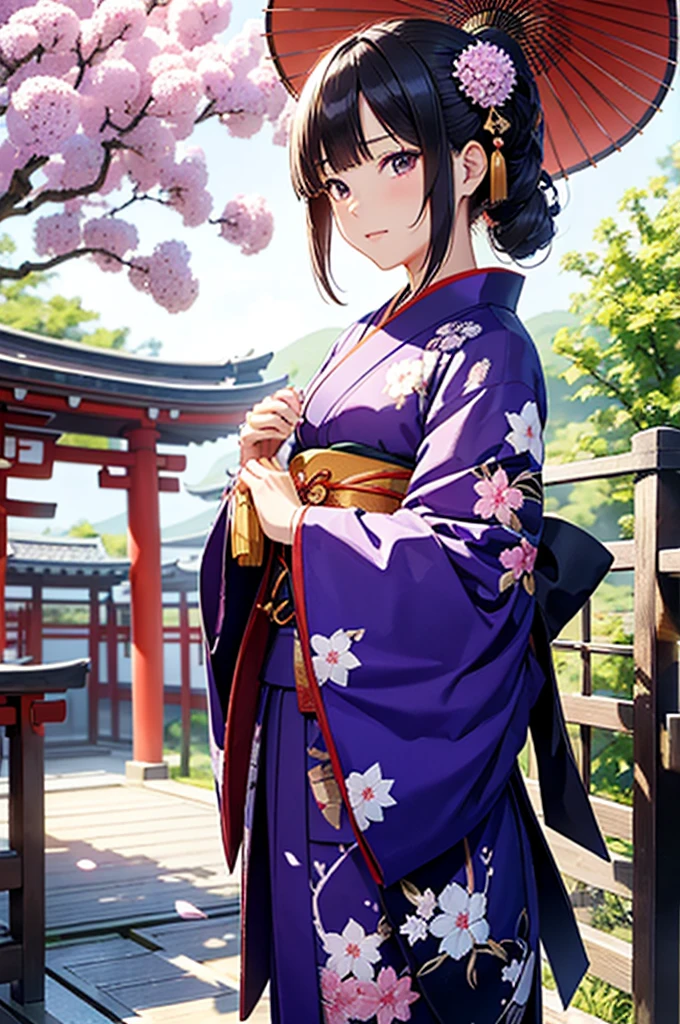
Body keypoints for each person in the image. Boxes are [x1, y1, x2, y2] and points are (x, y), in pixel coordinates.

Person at [200, 18, 609, 1023]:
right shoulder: (361, 339)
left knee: (410, 988)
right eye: (335, 181)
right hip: (315, 721)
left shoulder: (487, 348)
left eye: (387, 160)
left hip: (395, 748)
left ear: (467, 164)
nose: (357, 203)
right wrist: (262, 483)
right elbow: (297, 518)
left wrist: (307, 526)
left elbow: (478, 560)